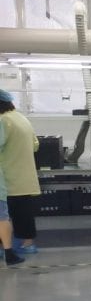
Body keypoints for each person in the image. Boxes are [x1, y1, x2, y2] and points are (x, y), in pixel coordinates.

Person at [0, 89, 40, 256]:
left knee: (6, 216)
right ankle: (28, 244)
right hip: (25, 177)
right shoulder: (21, 118)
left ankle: (9, 246)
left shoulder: (3, 121)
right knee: (23, 213)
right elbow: (35, 145)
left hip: (9, 177)